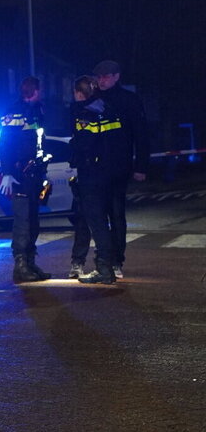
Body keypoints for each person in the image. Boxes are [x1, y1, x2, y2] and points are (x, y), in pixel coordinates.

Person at [93, 60, 149, 279]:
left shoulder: (129, 100)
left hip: (118, 167)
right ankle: (104, 260)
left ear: (116, 76)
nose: (101, 80)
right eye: (99, 77)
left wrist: (141, 166)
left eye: (106, 76)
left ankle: (116, 260)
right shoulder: (94, 99)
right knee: (98, 216)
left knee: (116, 215)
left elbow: (141, 135)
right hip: (97, 168)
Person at [70, 74, 127, 285]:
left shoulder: (85, 114)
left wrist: (74, 153)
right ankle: (110, 264)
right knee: (109, 220)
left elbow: (83, 145)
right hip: (111, 173)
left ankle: (104, 268)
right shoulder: (108, 109)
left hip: (92, 175)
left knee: (97, 222)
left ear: (79, 93)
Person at [0, 76, 51, 283]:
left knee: (33, 220)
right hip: (20, 174)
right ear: (35, 91)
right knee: (23, 221)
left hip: (34, 173)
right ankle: (20, 265)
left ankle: (29, 262)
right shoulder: (15, 113)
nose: (43, 92)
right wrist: (8, 172)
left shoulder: (38, 110)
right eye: (41, 89)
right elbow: (5, 144)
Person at [67, 76, 96, 278]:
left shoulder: (79, 112)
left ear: (79, 93)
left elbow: (80, 142)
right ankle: (107, 263)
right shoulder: (102, 108)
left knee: (84, 221)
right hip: (99, 171)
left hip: (88, 172)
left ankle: (78, 263)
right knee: (100, 220)